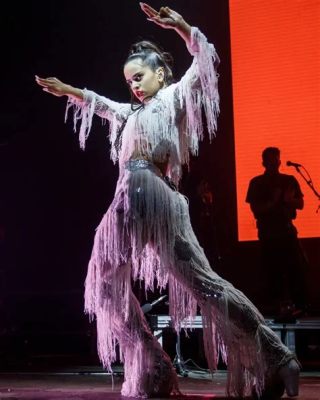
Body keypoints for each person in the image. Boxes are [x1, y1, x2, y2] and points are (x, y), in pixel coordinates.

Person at [35, 4, 300, 398]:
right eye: (129, 81)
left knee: (183, 283)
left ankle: (268, 359)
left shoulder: (174, 96)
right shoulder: (130, 114)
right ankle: (166, 365)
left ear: (160, 74)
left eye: (140, 77)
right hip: (141, 200)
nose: (134, 86)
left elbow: (204, 62)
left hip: (151, 194)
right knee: (121, 284)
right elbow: (100, 103)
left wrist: (182, 27)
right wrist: (69, 90)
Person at [246, 147, 307, 320]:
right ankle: (275, 307)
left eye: (276, 159)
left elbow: (300, 204)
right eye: (270, 159)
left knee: (295, 269)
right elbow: (256, 208)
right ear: (264, 162)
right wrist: (273, 201)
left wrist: (289, 200)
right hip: (269, 235)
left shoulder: (289, 180)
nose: (274, 162)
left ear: (280, 161)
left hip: (287, 232)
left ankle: (298, 306)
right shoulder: (256, 183)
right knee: (272, 273)